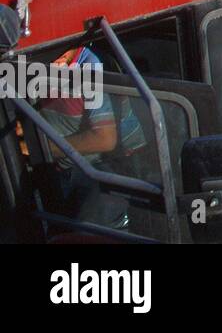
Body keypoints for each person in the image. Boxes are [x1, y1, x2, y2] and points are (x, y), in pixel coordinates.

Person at [40, 44, 146, 230]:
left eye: (63, 51)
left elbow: (104, 138)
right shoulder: (35, 62)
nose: (57, 57)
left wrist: (42, 147)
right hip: (61, 165)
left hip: (107, 164)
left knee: (93, 229)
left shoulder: (92, 67)